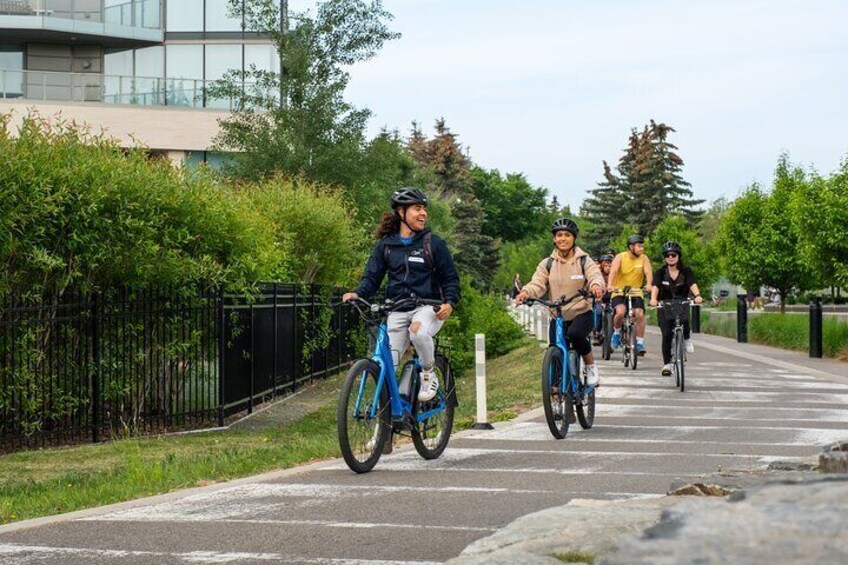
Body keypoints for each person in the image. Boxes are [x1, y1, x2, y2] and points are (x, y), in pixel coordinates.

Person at [342, 187, 460, 402]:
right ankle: (383, 430)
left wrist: (450, 302)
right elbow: (371, 278)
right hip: (396, 309)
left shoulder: (433, 244)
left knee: (417, 330)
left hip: (427, 308)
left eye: (424, 208)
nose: (423, 213)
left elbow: (450, 278)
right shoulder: (386, 246)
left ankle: (428, 372)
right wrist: (358, 294)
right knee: (384, 369)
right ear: (401, 213)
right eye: (417, 209)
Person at [515, 218, 605, 386]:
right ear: (554, 239)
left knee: (576, 335)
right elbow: (538, 283)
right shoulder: (547, 263)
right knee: (555, 352)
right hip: (557, 316)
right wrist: (526, 292)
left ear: (574, 238)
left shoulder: (584, 260)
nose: (562, 238)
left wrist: (596, 286)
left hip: (581, 313)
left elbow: (595, 276)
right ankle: (556, 395)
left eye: (567, 235)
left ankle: (590, 366)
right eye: (559, 235)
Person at [649, 241, 703, 376]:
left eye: (673, 254)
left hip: (682, 302)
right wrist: (653, 299)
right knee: (666, 334)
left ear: (678, 256)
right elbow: (655, 286)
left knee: (684, 320)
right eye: (668, 255)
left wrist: (697, 295)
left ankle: (686, 338)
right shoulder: (660, 272)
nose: (671, 257)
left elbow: (692, 283)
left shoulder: (686, 271)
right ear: (665, 257)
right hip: (665, 304)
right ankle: (667, 364)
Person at [608, 235, 653, 355]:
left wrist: (649, 284)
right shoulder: (621, 257)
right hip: (619, 291)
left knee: (639, 314)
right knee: (620, 313)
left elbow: (648, 272)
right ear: (631, 247)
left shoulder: (644, 258)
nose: (641, 248)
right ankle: (616, 333)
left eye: (642, 246)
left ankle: (639, 342)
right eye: (639, 246)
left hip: (636, 291)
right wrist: (610, 285)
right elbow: (613, 271)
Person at [591, 250, 615, 345]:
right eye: (605, 265)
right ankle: (597, 332)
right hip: (599, 299)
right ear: (601, 265)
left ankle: (615, 335)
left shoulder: (615, 275)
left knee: (616, 314)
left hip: (612, 298)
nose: (608, 268)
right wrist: (599, 301)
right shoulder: (597, 275)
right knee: (599, 311)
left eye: (610, 265)